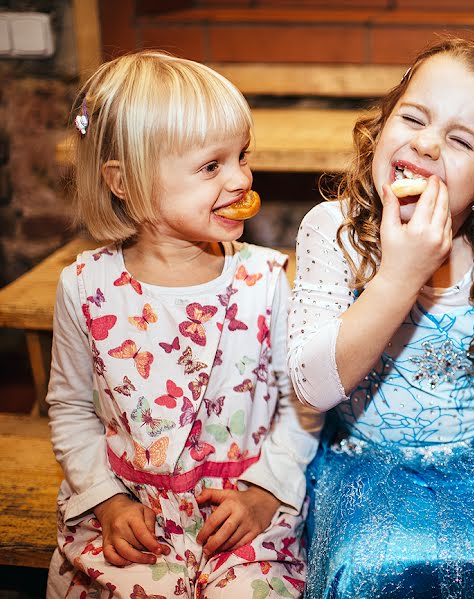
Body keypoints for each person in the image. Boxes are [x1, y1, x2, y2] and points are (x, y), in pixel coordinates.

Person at [287, 37, 474, 598]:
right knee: (365, 569)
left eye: (460, 140)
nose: (426, 143)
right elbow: (312, 386)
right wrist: (398, 276)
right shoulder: (335, 233)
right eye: (413, 117)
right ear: (380, 127)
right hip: (371, 466)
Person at [45, 51, 320, 598]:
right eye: (211, 166)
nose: (241, 178)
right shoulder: (85, 288)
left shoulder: (265, 280)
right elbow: (71, 406)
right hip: (135, 517)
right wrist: (107, 499)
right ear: (124, 181)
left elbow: (302, 404)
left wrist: (265, 492)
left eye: (242, 156)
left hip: (241, 512)